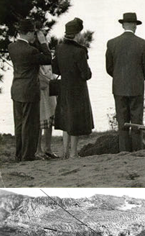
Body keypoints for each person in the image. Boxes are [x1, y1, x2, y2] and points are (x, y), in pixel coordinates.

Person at [106, 12, 145, 152]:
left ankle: (124, 150)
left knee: (122, 120)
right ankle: (137, 149)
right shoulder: (143, 44)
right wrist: (138, 78)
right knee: (137, 120)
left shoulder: (112, 43)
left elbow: (109, 68)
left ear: (123, 25)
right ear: (134, 25)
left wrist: (119, 77)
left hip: (119, 85)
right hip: (136, 86)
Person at [8, 19, 52, 162]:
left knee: (20, 124)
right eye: (33, 32)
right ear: (27, 33)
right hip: (30, 90)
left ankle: (19, 154)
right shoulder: (30, 50)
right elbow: (47, 58)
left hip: (17, 89)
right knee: (30, 124)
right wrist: (43, 42)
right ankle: (28, 156)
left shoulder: (11, 47)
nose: (34, 35)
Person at [53, 18, 94, 159]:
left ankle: (64, 151)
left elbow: (55, 69)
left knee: (65, 119)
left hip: (64, 87)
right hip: (77, 89)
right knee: (75, 120)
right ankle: (73, 153)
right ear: (77, 34)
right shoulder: (80, 51)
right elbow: (86, 74)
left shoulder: (59, 48)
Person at [36, 64, 58, 159]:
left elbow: (52, 74)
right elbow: (40, 77)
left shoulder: (48, 60)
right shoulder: (36, 60)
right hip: (41, 93)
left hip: (50, 92)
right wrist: (50, 80)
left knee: (49, 120)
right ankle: (38, 150)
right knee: (40, 121)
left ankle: (48, 148)